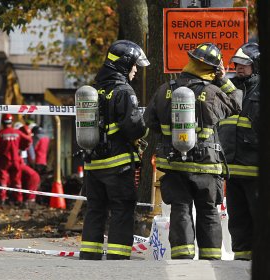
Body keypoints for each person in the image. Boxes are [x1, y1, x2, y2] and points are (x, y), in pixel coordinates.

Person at [144, 42, 243, 260]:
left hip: (173, 163)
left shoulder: (165, 90)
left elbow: (149, 121)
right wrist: (224, 80)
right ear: (212, 69)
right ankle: (211, 260)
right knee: (208, 212)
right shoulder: (212, 92)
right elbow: (237, 103)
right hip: (206, 164)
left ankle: (182, 258)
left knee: (180, 209)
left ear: (190, 62)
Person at [79, 40, 149, 260]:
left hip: (93, 163)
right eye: (135, 65)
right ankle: (118, 259)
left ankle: (89, 254)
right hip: (118, 165)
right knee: (122, 208)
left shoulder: (95, 89)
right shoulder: (123, 91)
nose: (136, 70)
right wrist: (145, 126)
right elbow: (134, 129)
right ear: (125, 64)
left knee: (95, 209)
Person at [218, 42, 260, 261]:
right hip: (232, 169)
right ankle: (241, 261)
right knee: (238, 220)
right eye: (237, 64)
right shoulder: (229, 88)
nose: (239, 68)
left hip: (256, 170)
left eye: (245, 64)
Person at [0, 114, 32, 206]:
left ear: (2, 122)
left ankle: (2, 199)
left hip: (4, 161)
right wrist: (23, 147)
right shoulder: (17, 132)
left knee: (3, 180)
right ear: (12, 122)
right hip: (16, 161)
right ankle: (19, 200)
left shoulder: (0, 134)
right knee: (17, 180)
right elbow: (28, 139)